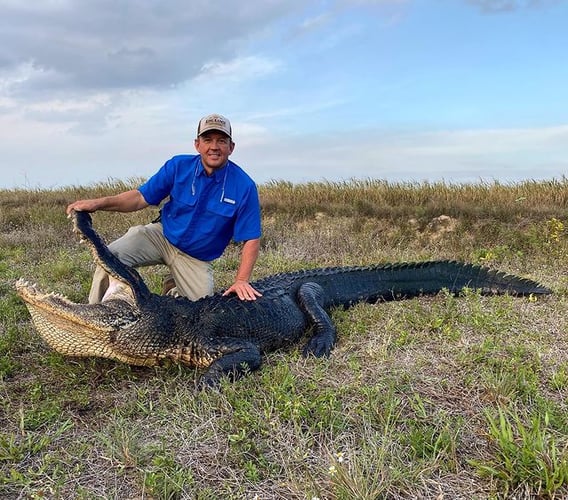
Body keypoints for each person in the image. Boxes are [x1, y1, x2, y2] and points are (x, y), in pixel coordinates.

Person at [66, 113, 262, 303]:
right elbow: (139, 198)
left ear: (231, 147)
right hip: (162, 237)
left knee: (201, 311)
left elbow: (251, 238)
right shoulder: (178, 166)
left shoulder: (244, 186)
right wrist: (98, 203)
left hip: (196, 258)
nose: (214, 147)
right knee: (108, 258)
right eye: (208, 139)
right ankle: (92, 314)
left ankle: (174, 290)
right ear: (197, 145)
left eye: (221, 141)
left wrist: (241, 280)